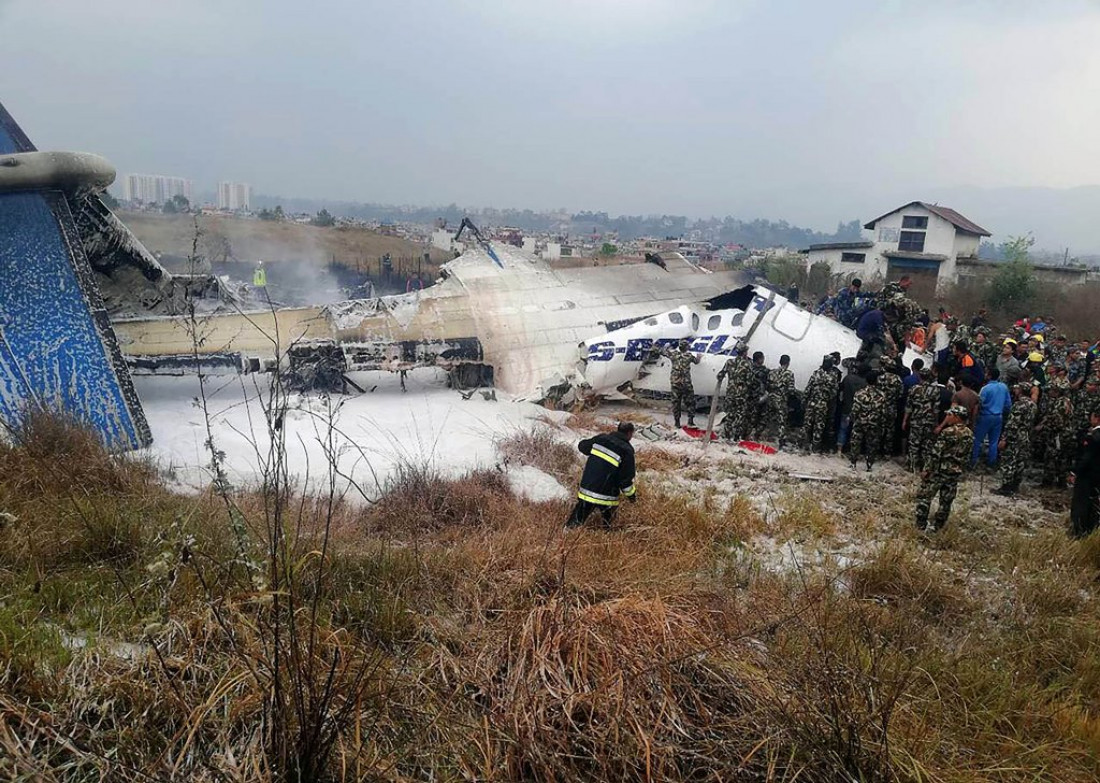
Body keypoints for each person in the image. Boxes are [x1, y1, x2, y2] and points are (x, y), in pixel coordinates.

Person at [566, 422, 637, 529]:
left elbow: (582, 446)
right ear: (630, 433)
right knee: (608, 526)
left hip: (587, 490)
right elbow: (625, 480)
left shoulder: (601, 439)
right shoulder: (627, 451)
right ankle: (607, 534)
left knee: (574, 523)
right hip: (607, 496)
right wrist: (632, 497)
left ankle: (567, 533)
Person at [915, 405, 974, 533]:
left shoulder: (948, 432)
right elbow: (967, 456)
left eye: (949, 415)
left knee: (924, 496)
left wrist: (927, 469)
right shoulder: (969, 434)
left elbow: (936, 453)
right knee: (946, 501)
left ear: (957, 417)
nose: (947, 418)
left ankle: (920, 525)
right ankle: (938, 527)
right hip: (954, 472)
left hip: (939, 471)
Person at [994, 382, 1037, 496]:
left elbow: (1012, 424)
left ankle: (1006, 487)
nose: (1015, 390)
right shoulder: (1033, 404)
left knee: (1009, 460)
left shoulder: (1019, 405)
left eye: (1017, 388)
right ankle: (1015, 485)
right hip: (1025, 435)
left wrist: (1004, 439)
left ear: (1021, 390)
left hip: (1015, 436)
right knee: (1020, 461)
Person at [1037, 378, 1075, 488]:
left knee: (1051, 457)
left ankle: (1048, 482)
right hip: (1065, 434)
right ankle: (1061, 482)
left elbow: (1057, 422)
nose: (1049, 392)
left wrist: (1044, 427)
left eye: (1051, 390)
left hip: (1058, 435)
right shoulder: (1067, 401)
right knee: (1062, 458)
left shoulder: (1060, 404)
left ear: (1056, 391)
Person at [904, 367, 942, 472]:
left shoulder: (914, 389)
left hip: (916, 421)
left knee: (913, 444)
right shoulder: (936, 390)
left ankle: (912, 466)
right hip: (929, 422)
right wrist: (936, 423)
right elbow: (936, 409)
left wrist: (904, 421)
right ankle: (924, 467)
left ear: (920, 376)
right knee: (926, 445)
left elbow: (908, 407)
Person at [972, 367, 1011, 467]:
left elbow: (979, 403)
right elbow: (1008, 404)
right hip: (998, 417)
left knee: (977, 440)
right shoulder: (1004, 387)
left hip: (985, 416)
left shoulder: (985, 389)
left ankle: (973, 462)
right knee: (994, 441)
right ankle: (991, 462)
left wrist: (975, 417)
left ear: (989, 375)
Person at [1070, 410, 1100, 538]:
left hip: (1087, 476)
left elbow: (1086, 457)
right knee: (1094, 504)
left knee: (1080, 504)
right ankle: (1092, 530)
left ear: (1097, 418)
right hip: (1098, 477)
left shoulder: (1093, 436)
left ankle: (1079, 531)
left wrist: (1075, 471)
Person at [716, 345, 755, 442]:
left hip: (730, 392)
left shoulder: (729, 362)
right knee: (740, 415)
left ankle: (727, 435)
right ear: (745, 352)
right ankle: (736, 437)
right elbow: (750, 381)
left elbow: (720, 375)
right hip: (741, 393)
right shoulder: (747, 364)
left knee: (730, 414)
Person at [849, 370, 886, 471]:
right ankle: (869, 464)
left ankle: (853, 463)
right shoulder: (881, 395)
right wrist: (882, 424)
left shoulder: (859, 393)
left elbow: (855, 409)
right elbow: (883, 411)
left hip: (860, 422)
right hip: (874, 423)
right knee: (872, 445)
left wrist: (852, 418)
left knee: (855, 442)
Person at [803, 356, 839, 453]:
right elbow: (834, 393)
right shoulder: (833, 376)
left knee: (807, 425)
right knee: (818, 427)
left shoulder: (816, 373)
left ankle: (805, 446)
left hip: (812, 402)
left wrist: (804, 401)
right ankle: (815, 448)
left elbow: (808, 389)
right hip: (822, 404)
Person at [662, 338, 700, 428]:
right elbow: (697, 362)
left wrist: (667, 346)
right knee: (690, 402)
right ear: (686, 347)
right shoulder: (689, 356)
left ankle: (677, 423)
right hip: (686, 383)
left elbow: (664, 352)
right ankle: (690, 421)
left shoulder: (673, 354)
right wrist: (699, 357)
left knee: (676, 402)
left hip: (675, 383)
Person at [762, 354, 795, 447]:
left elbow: (767, 385)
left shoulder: (772, 372)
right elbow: (791, 389)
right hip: (781, 400)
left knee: (765, 418)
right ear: (788, 363)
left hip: (771, 398)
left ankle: (757, 434)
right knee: (781, 422)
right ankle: (781, 441)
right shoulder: (789, 374)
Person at [837, 362, 868, 452]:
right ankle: (853, 450)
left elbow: (840, 389)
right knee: (857, 432)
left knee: (843, 429)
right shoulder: (865, 383)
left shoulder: (848, 378)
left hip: (846, 408)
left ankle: (839, 450)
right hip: (859, 411)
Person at [878, 358, 904, 456]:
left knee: (878, 428)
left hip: (880, 406)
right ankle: (887, 452)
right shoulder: (898, 379)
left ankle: (876, 450)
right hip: (892, 407)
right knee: (890, 430)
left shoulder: (880, 377)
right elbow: (900, 394)